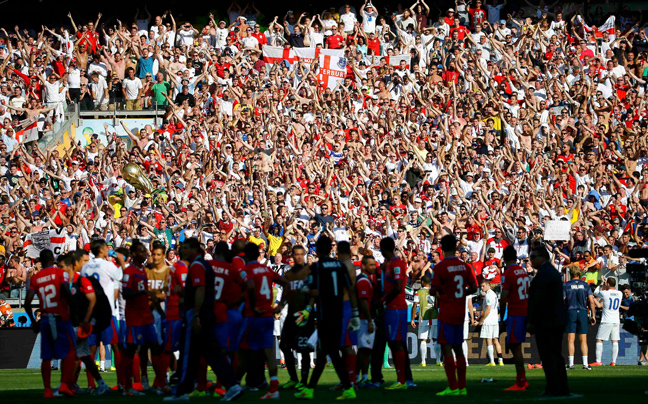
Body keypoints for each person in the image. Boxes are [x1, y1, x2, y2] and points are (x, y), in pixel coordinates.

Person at [166, 238, 243, 402]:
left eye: (185, 248)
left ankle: (182, 392)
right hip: (211, 313)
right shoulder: (206, 266)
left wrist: (195, 313)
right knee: (211, 353)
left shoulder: (197, 266)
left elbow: (200, 289)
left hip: (199, 316)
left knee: (190, 354)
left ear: (194, 250)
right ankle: (232, 385)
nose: (182, 251)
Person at [294, 236, 359, 400]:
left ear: (318, 250)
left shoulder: (317, 266)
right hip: (339, 313)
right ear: (330, 249)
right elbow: (350, 289)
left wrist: (305, 293)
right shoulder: (340, 266)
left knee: (330, 351)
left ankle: (348, 388)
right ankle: (310, 389)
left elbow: (314, 291)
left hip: (325, 314)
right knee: (325, 352)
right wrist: (355, 313)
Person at [429, 234, 478, 396]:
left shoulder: (441, 267)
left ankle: (452, 386)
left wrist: (445, 293)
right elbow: (474, 288)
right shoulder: (464, 266)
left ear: (442, 248)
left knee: (446, 347)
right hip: (460, 311)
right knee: (459, 348)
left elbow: (433, 290)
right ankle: (462, 387)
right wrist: (461, 294)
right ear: (455, 247)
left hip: (447, 311)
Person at [25, 249, 76, 398]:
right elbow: (66, 292)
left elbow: (27, 303)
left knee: (46, 356)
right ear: (52, 259)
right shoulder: (61, 273)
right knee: (70, 352)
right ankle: (64, 385)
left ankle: (47, 389)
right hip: (62, 317)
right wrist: (74, 311)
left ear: (40, 260)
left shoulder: (36, 278)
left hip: (46, 318)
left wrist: (33, 320)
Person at [236, 242, 284, 399]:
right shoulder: (267, 269)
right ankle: (274, 388)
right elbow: (287, 284)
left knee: (242, 351)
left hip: (253, 315)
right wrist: (280, 305)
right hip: (268, 315)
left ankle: (235, 385)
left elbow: (249, 285)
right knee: (269, 352)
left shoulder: (245, 270)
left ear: (245, 255)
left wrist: (254, 306)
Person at [528, 243, 569, 397]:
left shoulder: (544, 273)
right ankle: (561, 387)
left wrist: (532, 321)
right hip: (554, 319)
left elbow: (538, 300)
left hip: (547, 321)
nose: (531, 260)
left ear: (543, 257)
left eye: (533, 257)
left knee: (549, 355)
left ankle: (553, 387)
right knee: (555, 355)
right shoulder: (549, 271)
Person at [275, 245, 313, 391]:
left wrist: (309, 309)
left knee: (303, 349)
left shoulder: (309, 272)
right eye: (295, 254)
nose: (298, 257)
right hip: (291, 315)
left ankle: (303, 381)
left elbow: (314, 293)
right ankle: (293, 378)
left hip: (304, 315)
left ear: (304, 254)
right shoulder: (290, 274)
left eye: (300, 254)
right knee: (284, 345)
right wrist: (278, 307)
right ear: (291, 256)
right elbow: (285, 294)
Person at [499, 246, 530, 391]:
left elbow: (504, 296)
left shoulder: (508, 272)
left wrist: (502, 316)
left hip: (515, 312)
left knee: (515, 346)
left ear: (505, 257)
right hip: (524, 309)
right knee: (515, 345)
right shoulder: (522, 271)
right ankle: (522, 379)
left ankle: (521, 381)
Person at [563, 265, 596, 370]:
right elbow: (591, 301)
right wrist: (593, 315)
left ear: (570, 274)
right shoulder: (585, 285)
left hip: (570, 311)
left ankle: (571, 364)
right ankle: (585, 364)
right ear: (579, 273)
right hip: (582, 311)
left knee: (570, 339)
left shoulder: (566, 285)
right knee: (583, 339)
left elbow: (563, 299)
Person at [591, 277, 622, 366]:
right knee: (615, 341)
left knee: (599, 339)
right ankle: (614, 361)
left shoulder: (605, 293)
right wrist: (606, 283)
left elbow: (596, 292)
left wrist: (601, 284)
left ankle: (598, 361)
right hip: (616, 320)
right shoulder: (620, 293)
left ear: (607, 284)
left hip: (606, 320)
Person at [356, 255, 376, 387]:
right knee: (364, 350)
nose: (373, 267)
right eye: (371, 265)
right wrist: (369, 320)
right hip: (363, 319)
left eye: (374, 264)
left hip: (363, 319)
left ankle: (358, 377)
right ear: (363, 266)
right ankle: (362, 378)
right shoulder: (363, 281)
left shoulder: (366, 279)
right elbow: (363, 302)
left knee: (364, 350)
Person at [477, 279, 503, 366]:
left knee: (488, 340)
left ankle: (492, 361)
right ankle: (500, 361)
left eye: (483, 286)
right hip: (495, 320)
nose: (482, 288)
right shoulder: (494, 294)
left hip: (488, 320)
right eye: (481, 286)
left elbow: (488, 309)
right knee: (496, 340)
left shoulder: (488, 295)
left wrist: (481, 321)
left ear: (489, 285)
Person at [411, 275, 433, 367]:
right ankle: (439, 361)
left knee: (423, 340)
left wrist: (412, 318)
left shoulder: (418, 292)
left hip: (424, 317)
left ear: (422, 282)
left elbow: (415, 305)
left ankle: (423, 361)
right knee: (435, 339)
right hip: (434, 317)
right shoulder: (434, 292)